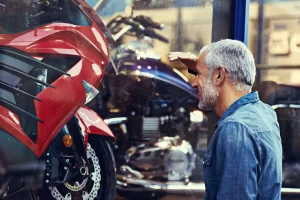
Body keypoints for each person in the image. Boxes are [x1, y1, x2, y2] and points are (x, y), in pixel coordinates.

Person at [169, 39, 282, 200]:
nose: (194, 83)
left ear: (219, 75)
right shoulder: (264, 113)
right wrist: (205, 67)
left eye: (198, 74)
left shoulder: (236, 128)